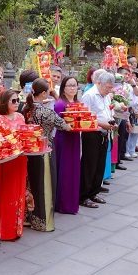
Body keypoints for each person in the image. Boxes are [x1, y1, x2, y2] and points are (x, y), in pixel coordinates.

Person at [22, 78, 69, 231]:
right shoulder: (46, 112)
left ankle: (27, 216)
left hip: (28, 150)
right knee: (44, 184)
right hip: (44, 150)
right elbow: (64, 126)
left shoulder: (25, 108)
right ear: (43, 93)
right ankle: (42, 220)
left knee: (30, 183)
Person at [0, 89, 28, 240]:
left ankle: (15, 229)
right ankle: (2, 230)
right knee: (4, 194)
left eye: (18, 100)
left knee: (19, 192)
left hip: (20, 159)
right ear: (4, 102)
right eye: (13, 101)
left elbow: (25, 135)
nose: (17, 103)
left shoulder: (20, 116)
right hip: (5, 162)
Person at [80, 72, 117, 209]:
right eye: (107, 87)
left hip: (104, 133)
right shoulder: (89, 95)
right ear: (99, 83)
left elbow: (107, 112)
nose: (109, 90)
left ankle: (94, 192)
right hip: (92, 133)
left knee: (100, 165)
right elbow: (85, 117)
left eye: (110, 88)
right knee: (90, 165)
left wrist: (112, 123)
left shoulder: (106, 96)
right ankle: (84, 196)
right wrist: (102, 124)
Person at [54, 76, 82, 215]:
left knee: (74, 169)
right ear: (63, 88)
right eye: (69, 85)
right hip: (64, 139)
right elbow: (58, 123)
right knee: (65, 170)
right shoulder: (60, 104)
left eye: (74, 85)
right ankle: (63, 204)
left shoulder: (77, 102)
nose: (72, 88)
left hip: (75, 138)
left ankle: (72, 203)